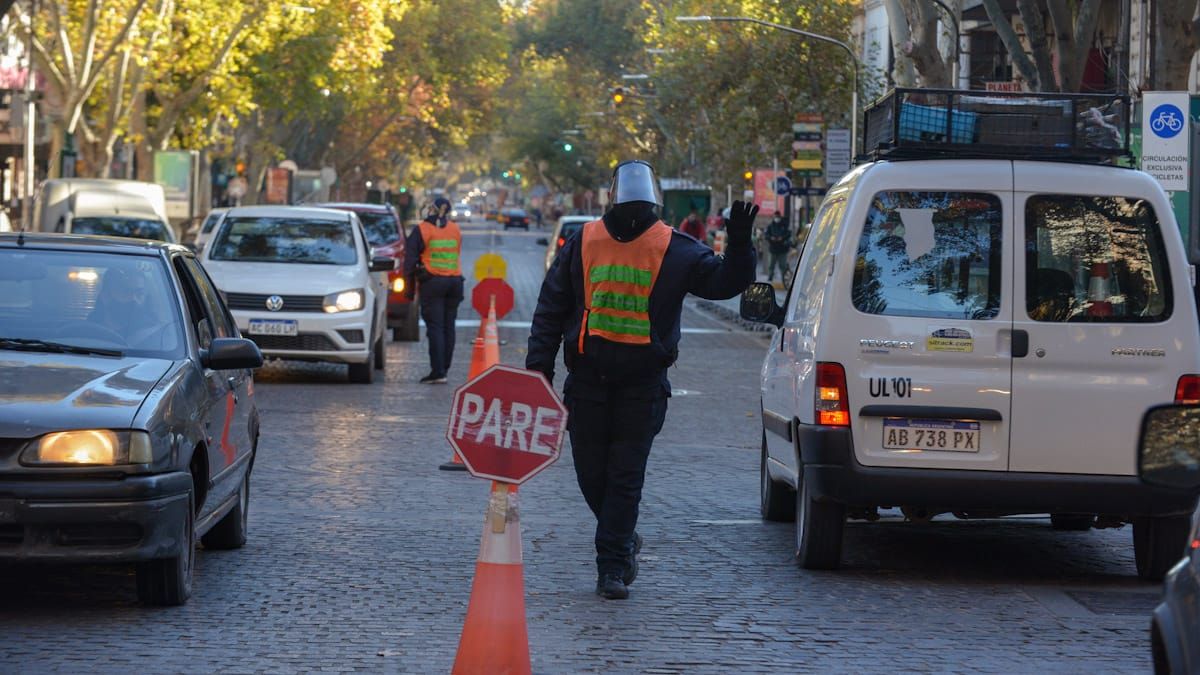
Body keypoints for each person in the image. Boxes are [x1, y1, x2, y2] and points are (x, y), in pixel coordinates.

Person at [526, 160, 757, 600]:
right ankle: (623, 538)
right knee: (591, 476)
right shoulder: (583, 241)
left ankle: (611, 567)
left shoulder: (676, 248)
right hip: (589, 382)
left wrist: (742, 245)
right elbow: (551, 307)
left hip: (642, 386)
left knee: (624, 479)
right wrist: (539, 369)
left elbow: (725, 282)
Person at [403, 197, 464, 384]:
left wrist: (409, 290)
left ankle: (438, 372)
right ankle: (444, 368)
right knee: (448, 327)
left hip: (433, 283)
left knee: (436, 327)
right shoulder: (455, 229)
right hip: (455, 282)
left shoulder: (422, 229)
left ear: (432, 209)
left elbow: (410, 262)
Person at [764, 214, 793, 282]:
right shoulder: (770, 226)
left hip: (782, 250)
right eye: (775, 217)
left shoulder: (784, 226)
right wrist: (771, 238)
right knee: (771, 265)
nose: (777, 219)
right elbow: (766, 235)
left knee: (783, 265)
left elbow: (788, 234)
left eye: (778, 217)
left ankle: (784, 279)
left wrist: (782, 238)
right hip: (773, 249)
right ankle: (770, 277)